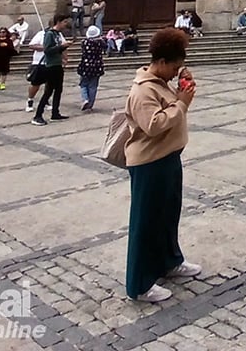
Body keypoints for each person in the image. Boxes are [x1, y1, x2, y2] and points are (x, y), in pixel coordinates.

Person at [124, 28, 202, 303]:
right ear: (163, 62)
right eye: (176, 67)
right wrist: (181, 104)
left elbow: (172, 112)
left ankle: (169, 262)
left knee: (167, 216)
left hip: (167, 158)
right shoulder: (143, 90)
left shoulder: (161, 84)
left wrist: (182, 92)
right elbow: (154, 125)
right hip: (149, 164)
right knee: (145, 223)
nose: (176, 72)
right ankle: (139, 284)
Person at [31, 14, 71, 126]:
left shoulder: (58, 34)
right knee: (48, 91)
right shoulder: (49, 34)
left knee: (58, 89)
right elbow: (47, 50)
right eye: (64, 22)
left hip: (58, 65)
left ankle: (55, 113)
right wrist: (62, 47)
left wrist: (63, 55)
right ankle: (38, 115)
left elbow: (57, 49)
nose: (66, 24)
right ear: (58, 21)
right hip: (51, 66)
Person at [77, 25, 106, 111]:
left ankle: (85, 99)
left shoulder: (84, 42)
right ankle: (90, 105)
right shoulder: (100, 43)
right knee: (93, 86)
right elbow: (105, 47)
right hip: (96, 67)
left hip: (85, 66)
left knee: (83, 84)